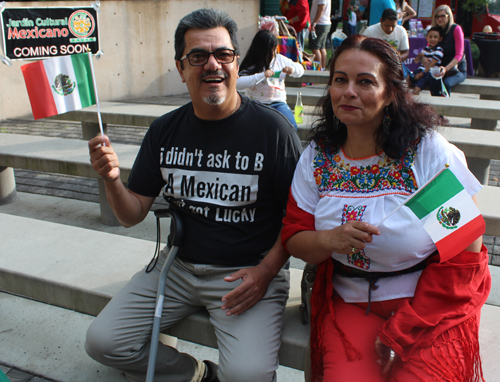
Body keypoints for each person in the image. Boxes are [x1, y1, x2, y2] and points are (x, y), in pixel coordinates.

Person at [85, 8, 302, 382]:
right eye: (197, 57)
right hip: (177, 269)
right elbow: (131, 213)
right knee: (103, 342)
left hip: (248, 275)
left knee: (248, 376)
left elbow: (298, 219)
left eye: (223, 54)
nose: (212, 65)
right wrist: (112, 179)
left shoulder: (274, 131)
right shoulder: (165, 130)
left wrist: (266, 273)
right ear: (181, 67)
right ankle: (198, 374)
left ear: (236, 63)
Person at [281, 34, 490, 381]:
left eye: (365, 82)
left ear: (391, 92)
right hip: (350, 301)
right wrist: (329, 240)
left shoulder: (424, 152)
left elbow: (465, 249)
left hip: (430, 303)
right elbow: (294, 237)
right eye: (339, 80)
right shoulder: (316, 158)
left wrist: (407, 326)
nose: (349, 91)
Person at [236, 30, 304, 129]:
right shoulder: (252, 64)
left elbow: (300, 70)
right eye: (270, 50)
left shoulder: (280, 59)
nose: (274, 53)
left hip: (278, 102)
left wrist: (292, 69)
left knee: (290, 126)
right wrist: (262, 75)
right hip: (256, 103)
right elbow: (237, 83)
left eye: (275, 49)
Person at [428, 5, 467, 96]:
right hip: (440, 69)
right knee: (432, 82)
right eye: (437, 16)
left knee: (447, 83)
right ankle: (435, 107)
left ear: (449, 16)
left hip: (456, 70)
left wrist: (446, 69)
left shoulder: (456, 29)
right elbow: (429, 49)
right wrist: (425, 59)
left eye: (443, 16)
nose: (440, 19)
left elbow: (459, 55)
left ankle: (445, 108)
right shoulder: (435, 31)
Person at [363, 9, 410, 78]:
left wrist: (395, 59)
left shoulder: (401, 31)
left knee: (404, 76)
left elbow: (405, 53)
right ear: (381, 20)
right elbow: (362, 52)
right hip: (373, 64)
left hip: (394, 63)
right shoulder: (370, 31)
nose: (390, 29)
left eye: (393, 26)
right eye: (387, 25)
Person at [412, 27, 444, 95]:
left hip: (428, 73)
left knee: (417, 88)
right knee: (408, 78)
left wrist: (421, 74)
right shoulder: (426, 49)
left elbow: (432, 64)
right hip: (420, 70)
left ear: (440, 39)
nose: (432, 39)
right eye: (430, 37)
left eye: (435, 37)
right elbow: (416, 61)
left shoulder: (439, 50)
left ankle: (414, 97)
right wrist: (419, 56)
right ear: (427, 38)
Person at [309, 0, 332, 69]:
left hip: (320, 23)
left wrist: (314, 23)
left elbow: (321, 8)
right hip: (324, 23)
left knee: (315, 47)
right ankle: (323, 67)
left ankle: (319, 68)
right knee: (322, 47)